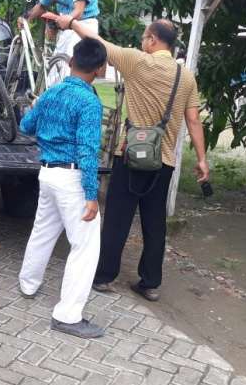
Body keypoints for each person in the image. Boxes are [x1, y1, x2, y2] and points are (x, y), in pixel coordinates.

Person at [57, 16, 210, 302]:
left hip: (129, 155)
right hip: (162, 161)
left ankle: (104, 276)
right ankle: (150, 283)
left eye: (144, 37)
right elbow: (194, 119)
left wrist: (71, 22)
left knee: (117, 218)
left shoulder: (135, 61)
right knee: (155, 223)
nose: (142, 42)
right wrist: (202, 159)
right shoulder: (186, 76)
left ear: (152, 40)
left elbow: (97, 42)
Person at [18, 38, 108, 339]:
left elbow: (25, 127)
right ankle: (68, 315)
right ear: (99, 69)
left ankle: (28, 283)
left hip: (46, 174)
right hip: (71, 179)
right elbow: (87, 151)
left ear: (70, 62)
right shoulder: (90, 102)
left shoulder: (51, 92)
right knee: (85, 246)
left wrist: (34, 106)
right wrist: (91, 195)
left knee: (43, 231)